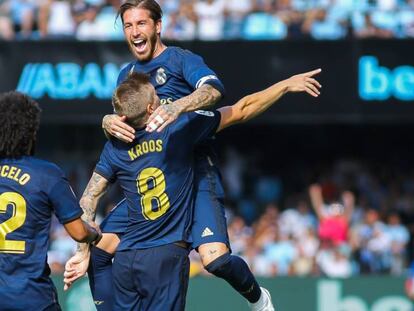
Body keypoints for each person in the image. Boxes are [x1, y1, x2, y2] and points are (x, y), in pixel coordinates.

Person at [65, 67, 321, 310]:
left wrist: (81, 250)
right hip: (165, 253)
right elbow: (241, 109)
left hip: (127, 256)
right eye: (159, 97)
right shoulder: (178, 129)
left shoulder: (114, 148)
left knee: (98, 257)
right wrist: (285, 85)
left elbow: (89, 198)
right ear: (153, 107)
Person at [0, 91, 102, 311]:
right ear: (31, 131)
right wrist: (95, 232)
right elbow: (78, 233)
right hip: (31, 297)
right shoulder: (47, 174)